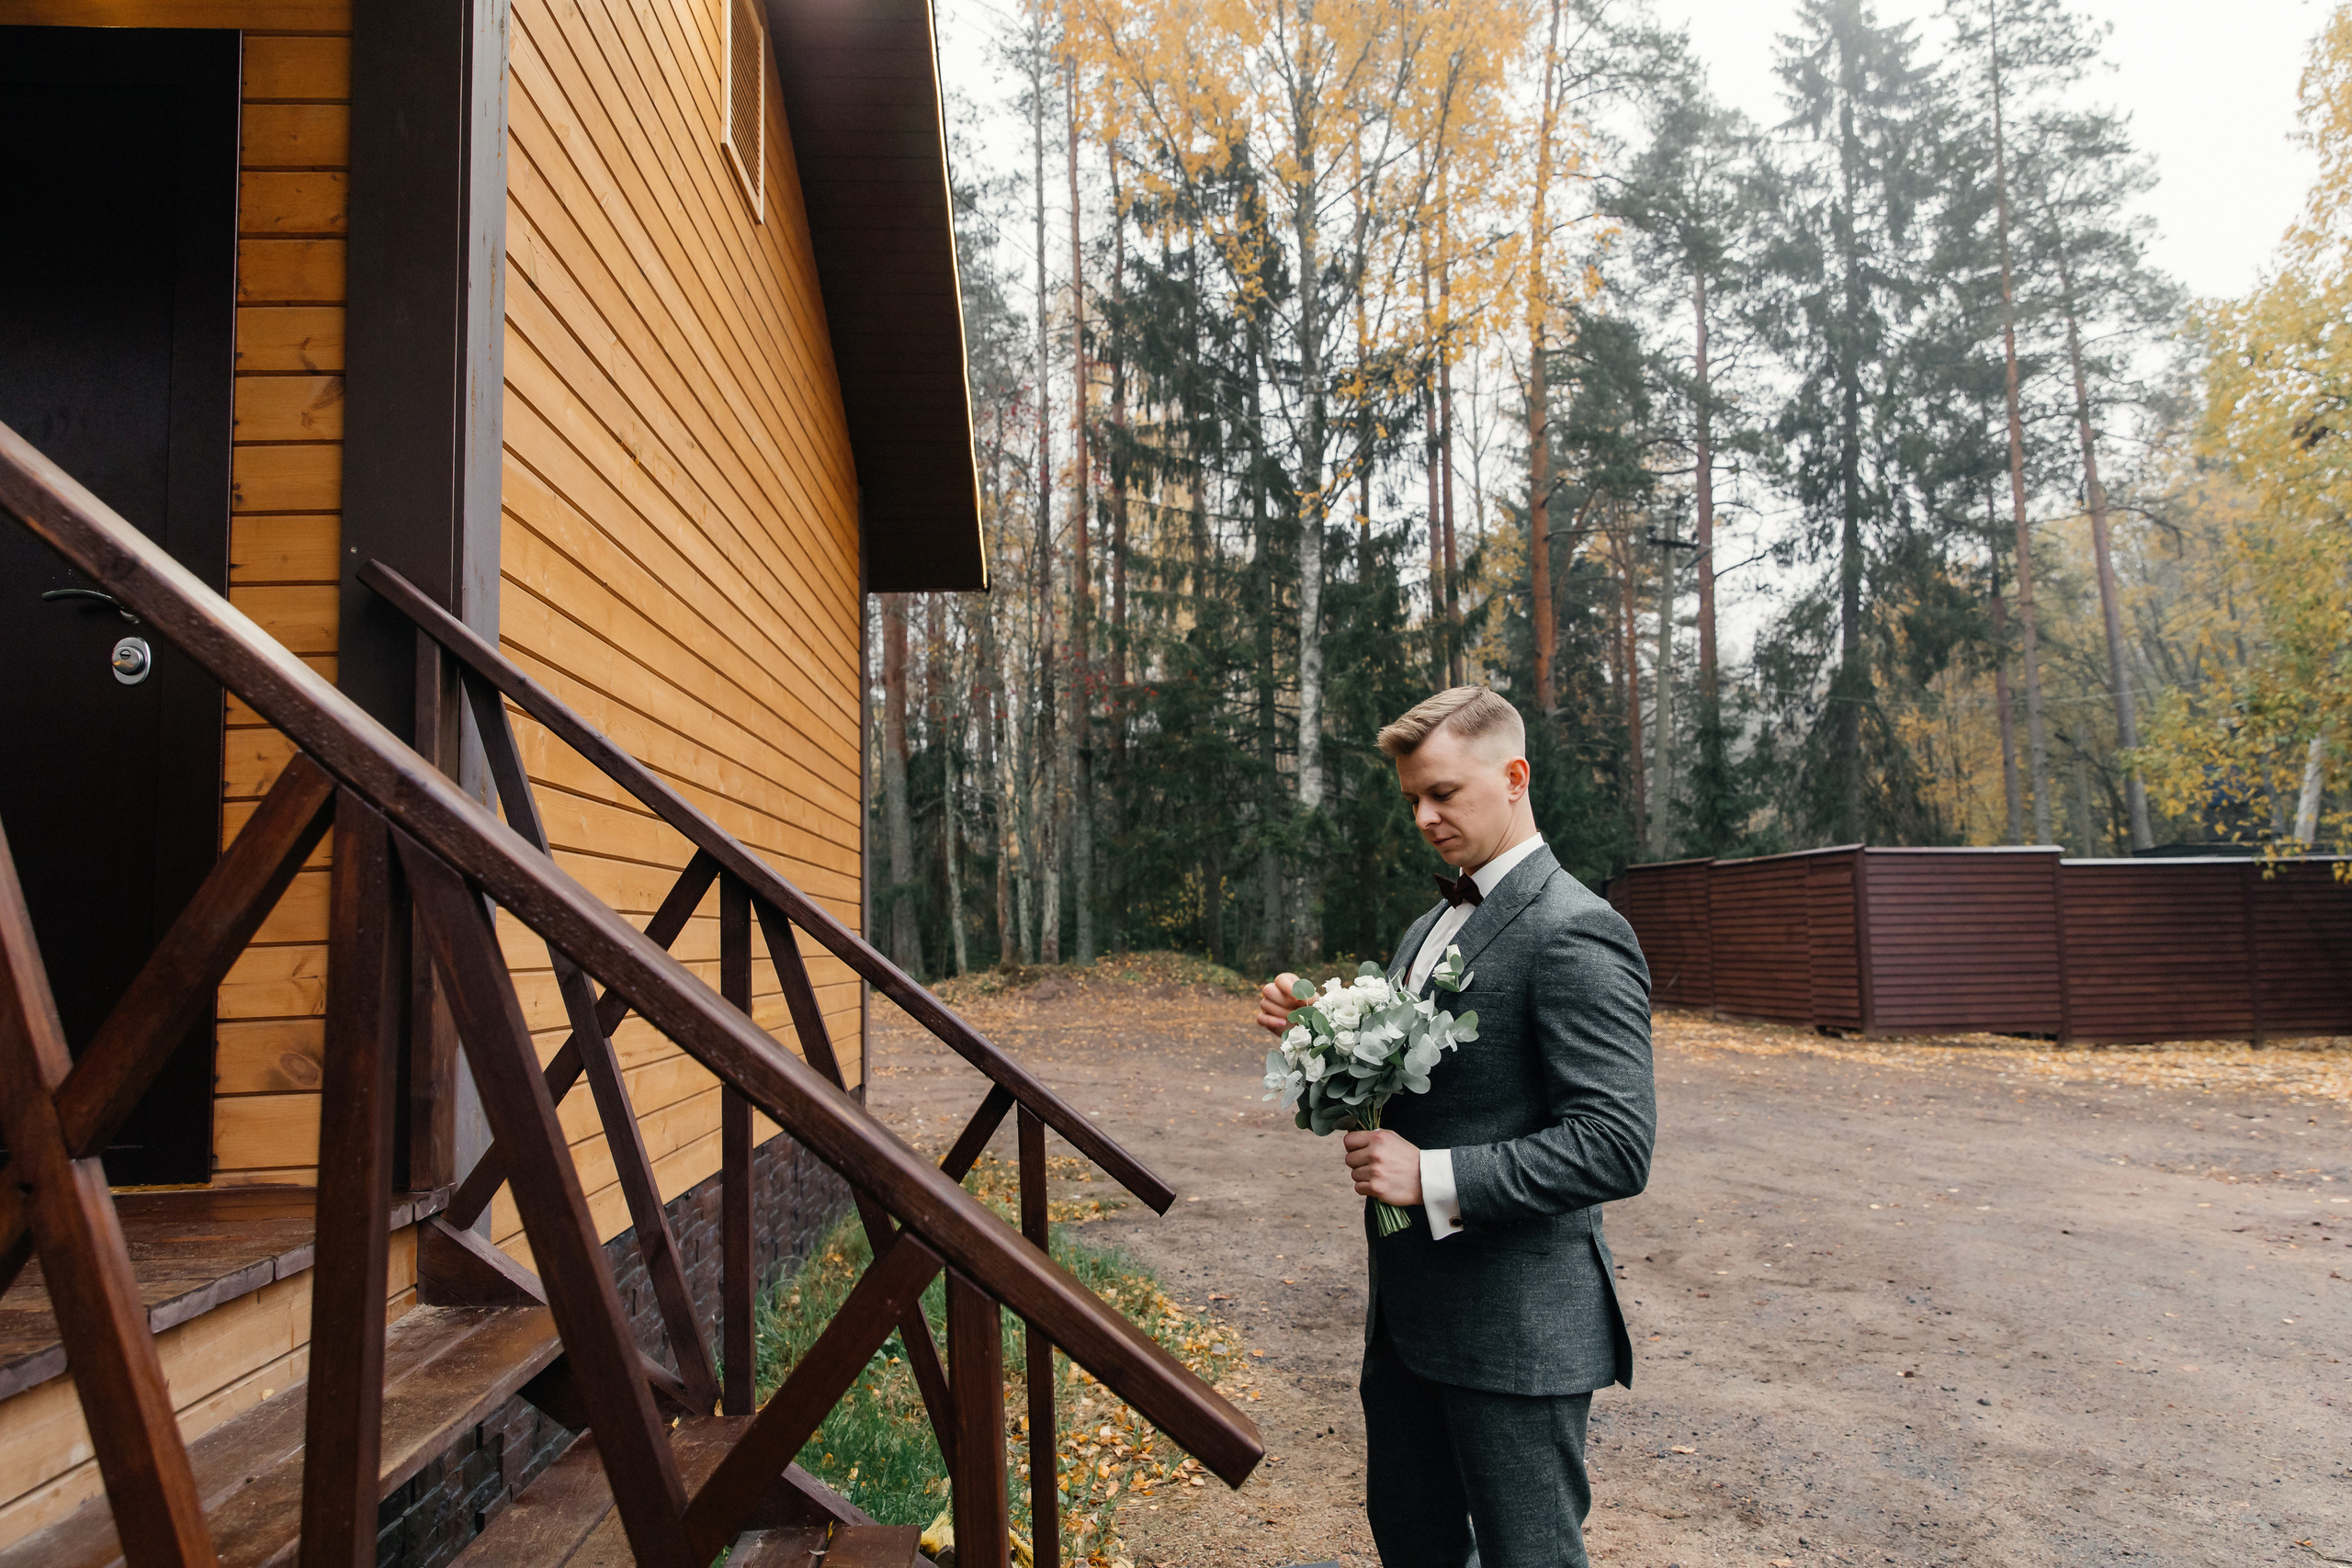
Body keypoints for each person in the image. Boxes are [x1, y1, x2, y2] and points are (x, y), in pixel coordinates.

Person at [1254, 685, 1655, 1568]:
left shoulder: (1579, 930)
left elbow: (1617, 1142)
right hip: (1407, 1320)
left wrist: (1432, 1176)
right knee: (1415, 1543)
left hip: (1516, 1331)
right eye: (1411, 801)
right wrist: (1323, 1028)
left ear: (1514, 777)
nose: (1424, 818)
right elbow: (1427, 1077)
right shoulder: (1428, 925)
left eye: (1443, 793)